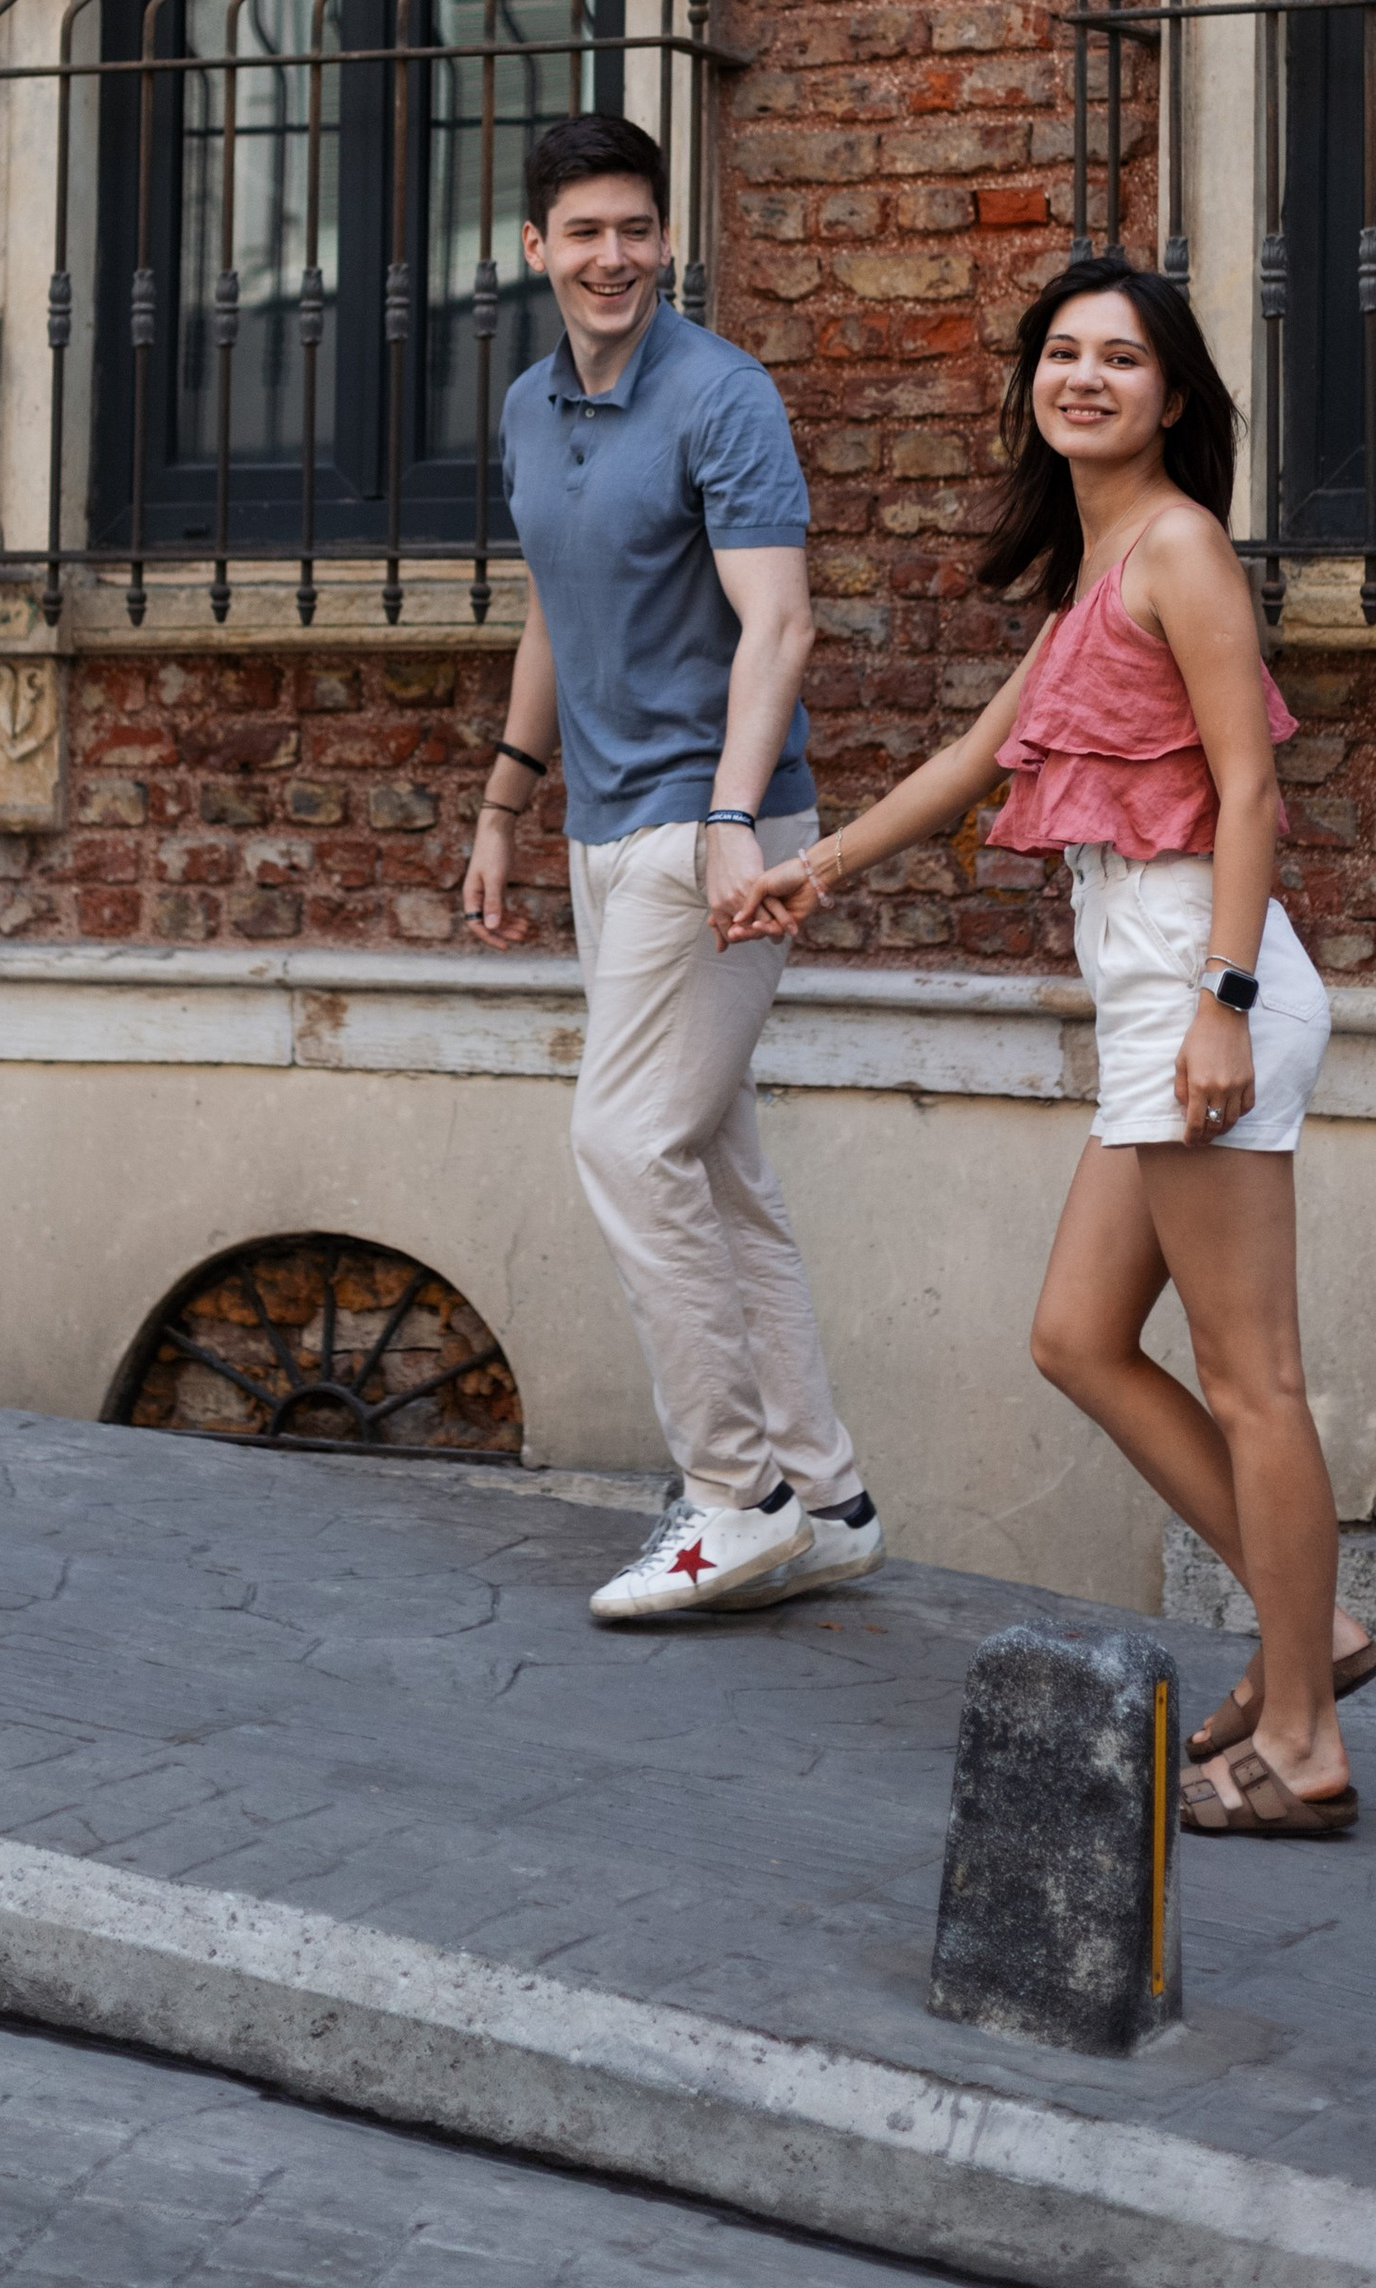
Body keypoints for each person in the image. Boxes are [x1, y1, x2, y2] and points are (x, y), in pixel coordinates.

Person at [731, 257, 1375, 1838]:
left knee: (1252, 1377)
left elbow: (1248, 793)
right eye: (1063, 353)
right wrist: (812, 870)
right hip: (1156, 993)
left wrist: (1222, 1001)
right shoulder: (1103, 568)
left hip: (1198, 989)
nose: (1085, 377)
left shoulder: (1182, 549)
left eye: (1122, 359)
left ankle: (1302, 1737)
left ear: (1173, 396)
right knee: (1079, 1336)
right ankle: (1320, 1634)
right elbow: (970, 758)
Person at [461, 112, 882, 1626]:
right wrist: (506, 805)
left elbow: (780, 627)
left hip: (716, 836)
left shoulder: (723, 397)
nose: (613, 255)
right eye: (583, 231)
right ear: (534, 248)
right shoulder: (528, 408)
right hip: (600, 829)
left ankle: (733, 1496)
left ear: (665, 240)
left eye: (636, 228)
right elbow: (553, 614)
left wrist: (727, 812)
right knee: (712, 1159)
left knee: (627, 1145)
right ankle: (823, 1494)